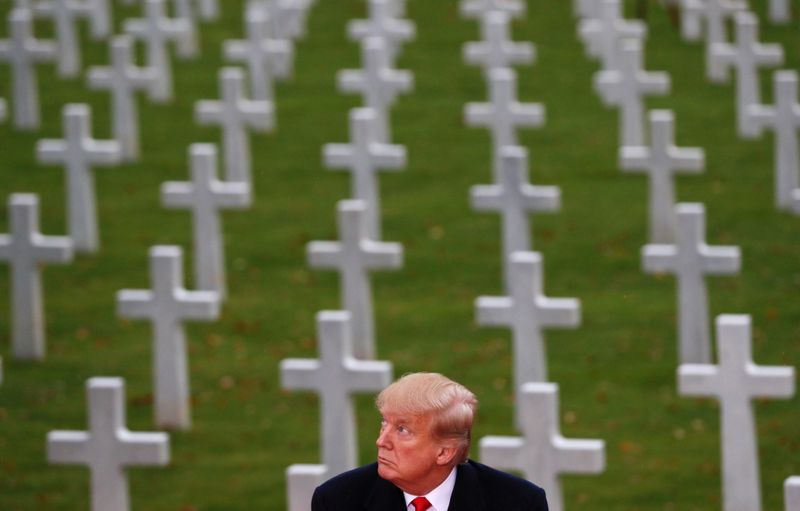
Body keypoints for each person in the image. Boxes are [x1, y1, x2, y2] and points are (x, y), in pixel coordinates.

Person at [311, 372, 549, 510]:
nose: (381, 440)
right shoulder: (337, 501)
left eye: (402, 429)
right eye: (385, 423)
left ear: (445, 452)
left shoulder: (519, 503)